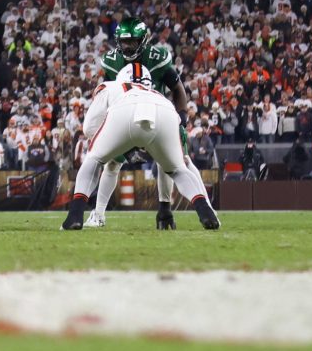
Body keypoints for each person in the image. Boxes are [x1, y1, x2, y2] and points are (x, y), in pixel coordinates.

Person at [63, 64, 219, 231]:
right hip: (165, 110)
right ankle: (204, 209)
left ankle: (75, 215)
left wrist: (120, 145)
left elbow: (88, 128)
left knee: (94, 158)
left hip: (125, 109)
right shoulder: (157, 92)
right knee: (178, 169)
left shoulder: (111, 85)